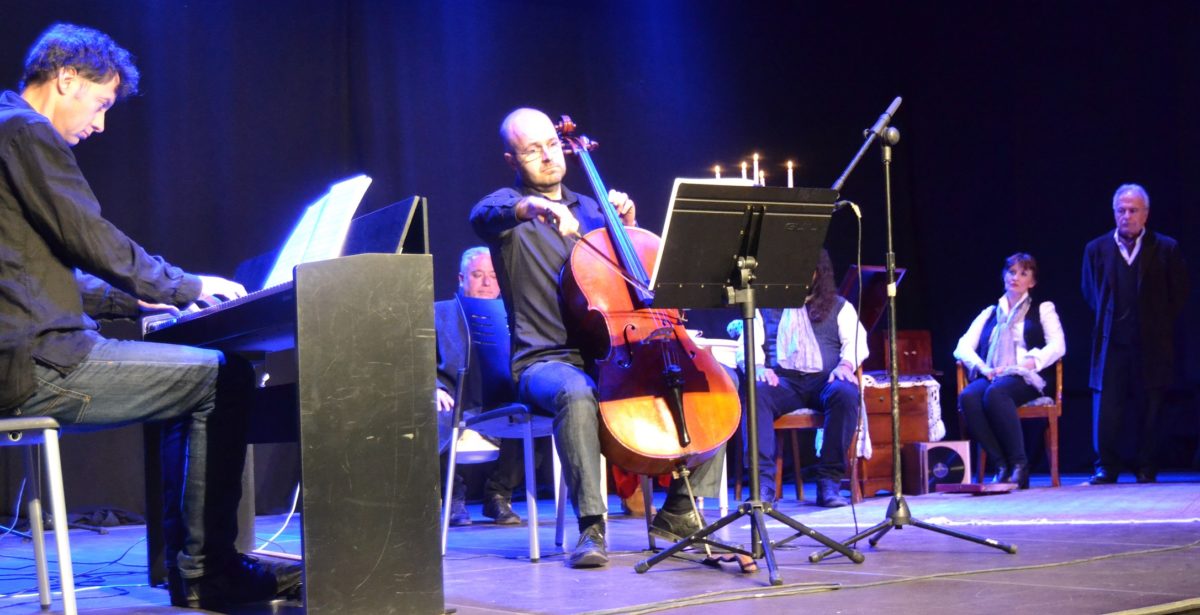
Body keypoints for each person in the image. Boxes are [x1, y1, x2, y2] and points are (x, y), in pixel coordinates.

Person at [0, 24, 300, 608]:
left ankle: (187, 567)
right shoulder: (24, 133)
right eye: (101, 103)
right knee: (225, 376)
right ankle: (209, 571)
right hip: (42, 365)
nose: (100, 123)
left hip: (21, 355)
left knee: (190, 378)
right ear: (65, 79)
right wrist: (184, 286)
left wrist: (131, 300)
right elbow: (90, 237)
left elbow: (33, 271)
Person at [470, 107, 726, 568]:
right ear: (513, 159)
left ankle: (679, 513)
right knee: (576, 391)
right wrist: (534, 208)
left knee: (713, 382)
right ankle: (593, 525)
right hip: (545, 362)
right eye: (533, 150)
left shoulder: (593, 211)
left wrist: (624, 222)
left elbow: (629, 284)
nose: (548, 156)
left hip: (610, 353)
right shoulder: (507, 211)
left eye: (552, 143)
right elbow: (481, 215)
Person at [740, 249, 867, 507]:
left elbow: (857, 342)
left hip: (824, 382)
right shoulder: (765, 306)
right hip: (785, 382)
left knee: (846, 393)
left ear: (817, 274)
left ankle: (828, 482)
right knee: (757, 393)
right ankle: (763, 485)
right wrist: (758, 367)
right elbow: (748, 341)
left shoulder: (840, 306)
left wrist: (845, 364)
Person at [1082, 184, 1188, 484]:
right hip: (1112, 341)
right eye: (1121, 210)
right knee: (1107, 407)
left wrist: (1157, 321)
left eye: (1133, 210)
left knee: (1150, 405)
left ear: (1146, 214)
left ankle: (1146, 465)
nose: (1126, 216)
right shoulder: (1097, 249)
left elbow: (1178, 292)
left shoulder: (1166, 247)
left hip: (1150, 341)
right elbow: (1090, 292)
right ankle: (1106, 466)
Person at [435, 246, 531, 526]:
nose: (487, 283)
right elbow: (416, 358)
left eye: (493, 276)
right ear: (461, 278)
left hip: (498, 400)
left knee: (529, 410)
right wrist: (433, 387)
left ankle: (498, 496)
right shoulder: (438, 312)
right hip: (454, 399)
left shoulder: (514, 316)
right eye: (478, 275)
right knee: (434, 408)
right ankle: (452, 497)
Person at [954, 253, 1066, 489]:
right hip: (995, 372)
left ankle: (1019, 465)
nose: (1015, 277)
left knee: (996, 394)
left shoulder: (1043, 309)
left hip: (1026, 376)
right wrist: (983, 368)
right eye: (1011, 272)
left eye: (1023, 273)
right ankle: (1001, 464)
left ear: (1032, 282)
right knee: (969, 396)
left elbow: (1058, 345)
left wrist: (1029, 363)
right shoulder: (989, 313)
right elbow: (962, 347)